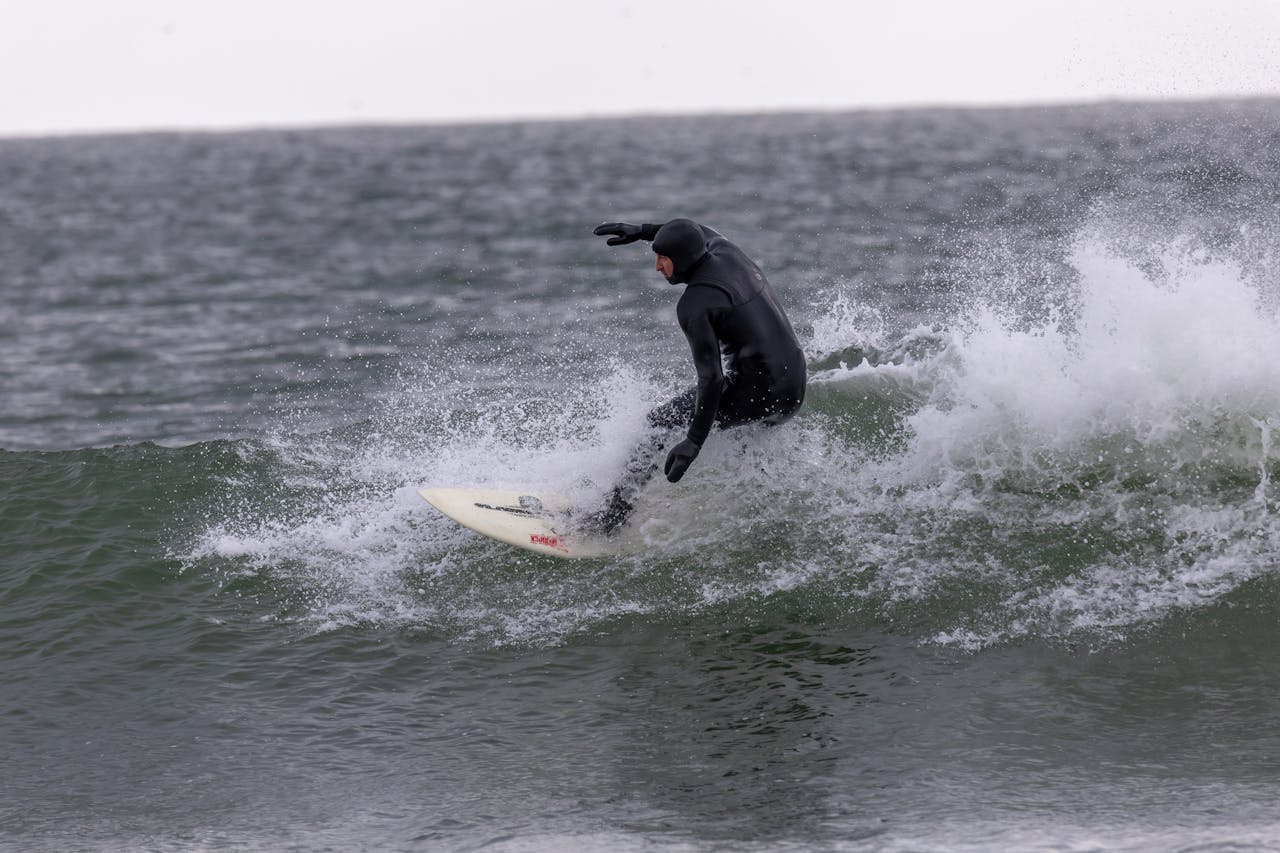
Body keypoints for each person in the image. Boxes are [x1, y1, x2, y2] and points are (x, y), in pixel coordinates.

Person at [583, 218, 807, 533]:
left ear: (684, 259)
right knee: (746, 438)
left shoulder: (695, 304)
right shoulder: (726, 250)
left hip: (760, 391)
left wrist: (693, 441)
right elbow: (697, 229)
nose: (658, 267)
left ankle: (611, 520)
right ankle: (770, 522)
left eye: (664, 258)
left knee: (656, 425)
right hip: (794, 382)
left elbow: (712, 379)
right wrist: (643, 232)